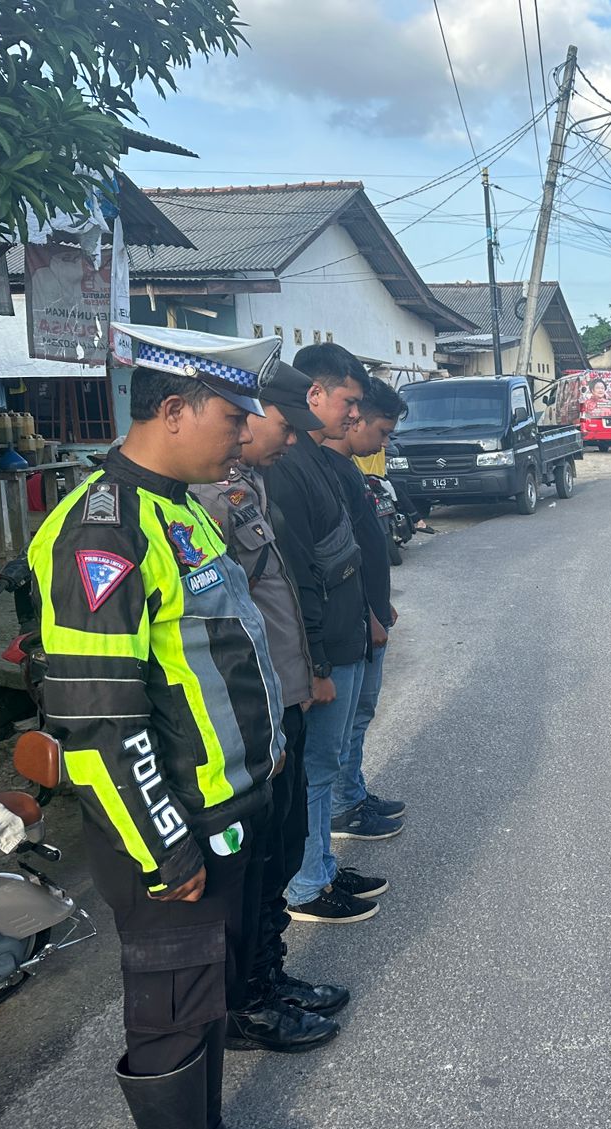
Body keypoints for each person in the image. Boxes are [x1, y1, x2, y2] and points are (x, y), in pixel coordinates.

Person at [30, 325, 300, 1129]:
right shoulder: (101, 534)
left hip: (228, 805)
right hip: (168, 823)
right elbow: (98, 721)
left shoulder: (180, 508)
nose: (245, 432)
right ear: (174, 410)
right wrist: (164, 847)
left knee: (207, 988)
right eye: (233, 415)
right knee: (171, 1002)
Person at [190, 360, 354, 1054]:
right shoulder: (202, 502)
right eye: (282, 426)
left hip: (282, 698)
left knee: (279, 855)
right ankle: (249, 1003)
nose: (290, 440)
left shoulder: (248, 488)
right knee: (253, 864)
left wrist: (308, 672)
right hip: (251, 713)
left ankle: (269, 976)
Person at [266, 343, 393, 927]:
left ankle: (321, 866)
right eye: (349, 401)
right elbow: (296, 580)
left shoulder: (317, 460)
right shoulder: (288, 467)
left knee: (326, 764)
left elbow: (348, 555)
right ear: (314, 394)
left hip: (345, 636)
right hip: (324, 649)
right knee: (316, 771)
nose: (355, 414)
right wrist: (316, 664)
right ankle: (307, 884)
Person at [322, 375, 407, 834]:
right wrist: (369, 614)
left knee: (361, 714)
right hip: (356, 622)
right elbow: (341, 560)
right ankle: (343, 806)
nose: (384, 443)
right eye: (382, 432)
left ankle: (352, 792)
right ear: (356, 421)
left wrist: (380, 603)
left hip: (369, 614)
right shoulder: (329, 472)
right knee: (349, 721)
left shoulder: (348, 469)